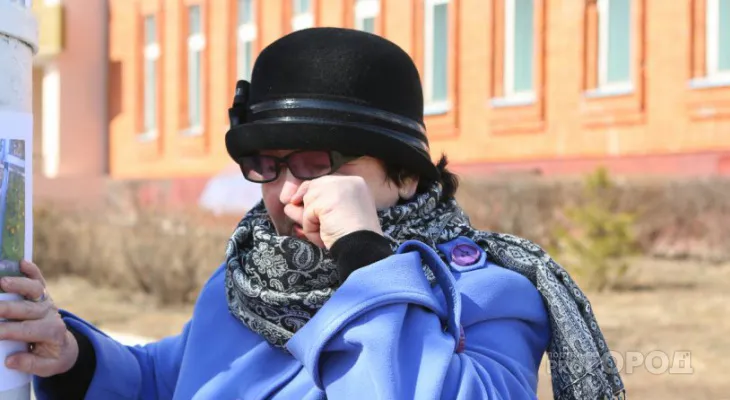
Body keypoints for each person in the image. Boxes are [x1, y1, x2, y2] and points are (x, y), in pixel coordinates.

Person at [0, 28, 624, 399]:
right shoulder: (253, 279)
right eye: (267, 165)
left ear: (405, 174)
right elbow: (169, 380)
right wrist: (72, 356)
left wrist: (366, 260)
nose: (286, 193)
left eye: (315, 162)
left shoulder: (489, 295)